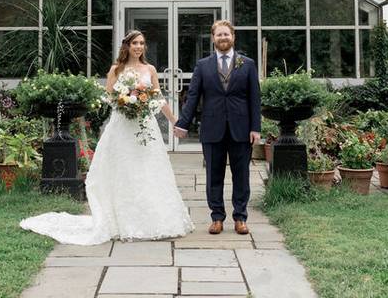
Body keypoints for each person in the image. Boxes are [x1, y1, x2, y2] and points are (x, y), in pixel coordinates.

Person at [19, 30, 194, 245]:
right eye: (135, 43)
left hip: (145, 127)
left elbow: (157, 97)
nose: (139, 47)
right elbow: (109, 97)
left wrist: (175, 121)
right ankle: (122, 220)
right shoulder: (116, 69)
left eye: (142, 43)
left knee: (149, 169)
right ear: (127, 46)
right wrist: (126, 100)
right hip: (122, 126)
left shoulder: (150, 69)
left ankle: (156, 219)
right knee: (124, 170)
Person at [173, 20, 261, 235]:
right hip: (213, 128)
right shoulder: (203, 65)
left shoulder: (247, 64)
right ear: (213, 38)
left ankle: (240, 218)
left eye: (226, 34)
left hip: (241, 128)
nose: (223, 38)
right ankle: (217, 218)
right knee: (214, 175)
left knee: (241, 175)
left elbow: (254, 98)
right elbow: (193, 96)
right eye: (219, 35)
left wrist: (255, 128)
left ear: (233, 37)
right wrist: (182, 123)